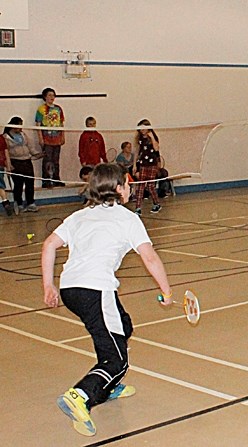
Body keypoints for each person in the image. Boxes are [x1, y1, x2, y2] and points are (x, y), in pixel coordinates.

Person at [41, 163, 174, 437]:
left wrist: (48, 286)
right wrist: (167, 290)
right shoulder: (128, 219)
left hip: (71, 289)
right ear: (117, 187)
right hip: (96, 290)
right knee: (117, 360)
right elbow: (149, 257)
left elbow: (49, 245)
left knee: (122, 327)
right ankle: (81, 395)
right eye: (127, 183)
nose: (130, 187)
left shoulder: (79, 216)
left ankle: (109, 386)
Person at [3, 116, 43, 213]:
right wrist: (8, 164)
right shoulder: (5, 137)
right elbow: (5, 152)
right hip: (15, 162)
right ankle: (19, 204)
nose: (21, 127)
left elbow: (30, 147)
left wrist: (37, 154)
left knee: (30, 183)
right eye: (19, 125)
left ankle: (31, 203)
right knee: (18, 185)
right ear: (13, 125)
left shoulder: (23, 135)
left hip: (27, 161)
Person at [35, 87, 66, 188]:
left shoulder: (58, 109)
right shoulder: (41, 109)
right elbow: (38, 124)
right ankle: (46, 180)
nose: (52, 97)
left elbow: (61, 123)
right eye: (49, 95)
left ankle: (56, 178)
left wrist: (63, 136)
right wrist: (40, 138)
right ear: (45, 97)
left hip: (57, 138)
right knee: (47, 160)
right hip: (47, 138)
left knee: (56, 160)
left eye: (53, 95)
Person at [132, 119, 162, 215]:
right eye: (140, 129)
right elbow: (137, 151)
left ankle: (157, 203)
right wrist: (134, 165)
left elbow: (156, 148)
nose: (142, 131)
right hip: (143, 164)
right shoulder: (139, 139)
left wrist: (152, 137)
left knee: (150, 186)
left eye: (144, 128)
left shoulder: (153, 137)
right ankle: (138, 208)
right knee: (141, 186)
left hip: (152, 164)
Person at [0, 135, 14, 215]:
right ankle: (5, 202)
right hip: (1, 165)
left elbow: (5, 151)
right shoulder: (1, 138)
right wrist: (8, 166)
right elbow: (6, 153)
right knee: (1, 185)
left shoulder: (1, 138)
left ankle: (6, 203)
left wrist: (8, 166)